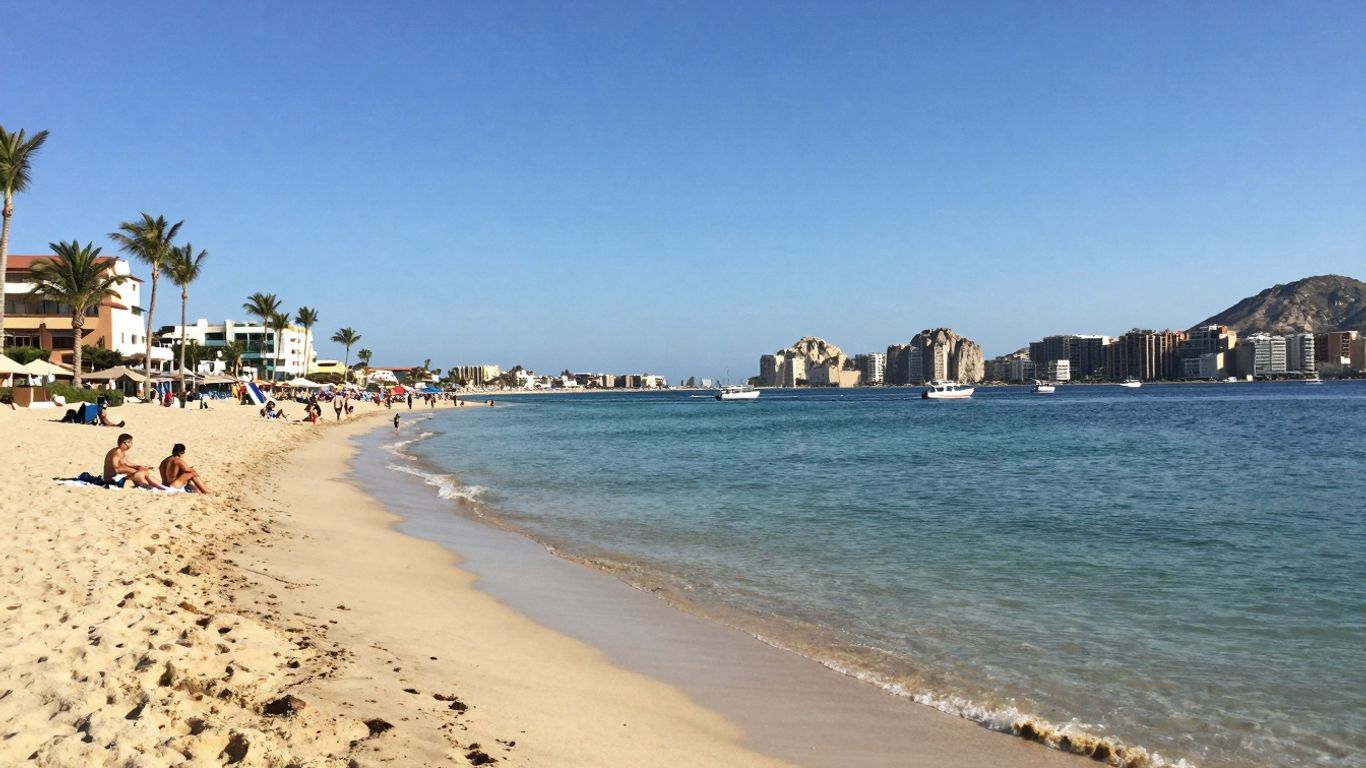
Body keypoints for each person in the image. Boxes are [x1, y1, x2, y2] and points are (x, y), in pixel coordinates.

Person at [103, 434, 169, 490]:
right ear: (122, 443)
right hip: (113, 480)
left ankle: (162, 486)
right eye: (129, 442)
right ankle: (157, 487)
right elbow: (117, 469)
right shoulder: (116, 452)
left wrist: (139, 466)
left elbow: (127, 463)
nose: (130, 445)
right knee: (140, 474)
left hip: (121, 477)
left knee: (144, 472)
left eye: (131, 442)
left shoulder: (122, 452)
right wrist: (133, 471)